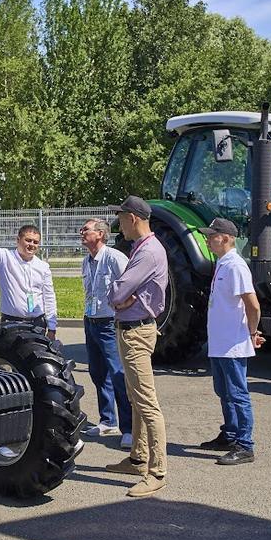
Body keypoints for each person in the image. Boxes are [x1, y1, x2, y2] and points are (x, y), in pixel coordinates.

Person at [103, 195, 169, 498]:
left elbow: (117, 292)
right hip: (131, 329)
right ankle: (138, 459)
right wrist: (123, 297)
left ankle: (157, 471)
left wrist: (123, 296)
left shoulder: (147, 253)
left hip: (136, 332)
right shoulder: (143, 249)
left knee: (146, 402)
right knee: (136, 397)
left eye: (121, 217)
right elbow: (121, 295)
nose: (119, 224)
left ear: (133, 218)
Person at [197, 218, 262, 465]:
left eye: (211, 236)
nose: (207, 240)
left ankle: (245, 445)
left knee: (237, 394)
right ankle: (230, 434)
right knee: (223, 391)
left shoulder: (235, 266)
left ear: (224, 238)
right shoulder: (223, 264)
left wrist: (252, 332)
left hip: (232, 343)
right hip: (221, 343)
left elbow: (252, 305)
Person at [79, 218, 134, 448]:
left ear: (101, 234)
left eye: (86, 229)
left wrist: (122, 311)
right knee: (98, 372)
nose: (82, 232)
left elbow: (131, 286)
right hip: (91, 321)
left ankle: (129, 428)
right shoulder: (86, 260)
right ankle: (107, 420)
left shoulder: (114, 258)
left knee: (118, 374)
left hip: (109, 323)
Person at [0, 223, 57, 340]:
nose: (32, 245)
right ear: (18, 240)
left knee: (35, 357)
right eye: (28, 240)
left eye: (35, 242)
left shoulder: (43, 266)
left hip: (37, 324)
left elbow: (49, 297)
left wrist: (52, 328)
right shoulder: (4, 258)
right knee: (10, 357)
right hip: (11, 323)